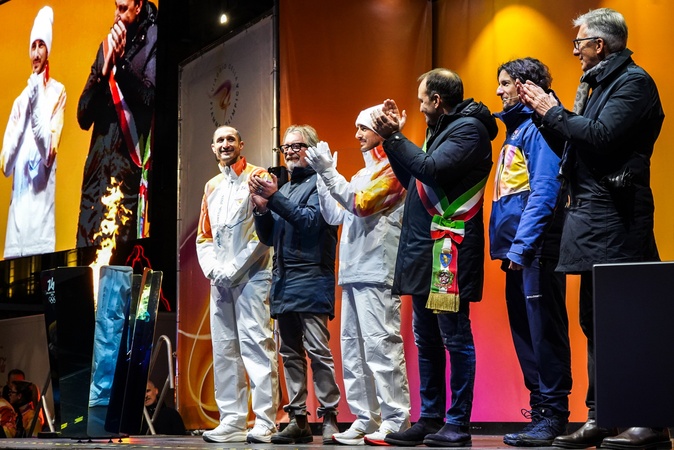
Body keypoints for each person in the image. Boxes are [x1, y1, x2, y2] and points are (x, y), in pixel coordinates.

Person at [517, 8, 666, 450]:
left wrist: (552, 110)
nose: (576, 52)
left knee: (627, 320)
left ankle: (648, 421)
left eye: (579, 43)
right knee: (596, 320)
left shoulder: (634, 83)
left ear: (599, 45)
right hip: (592, 215)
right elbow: (576, 145)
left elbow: (601, 137)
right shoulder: (597, 84)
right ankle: (604, 415)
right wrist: (543, 115)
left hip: (617, 217)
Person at [371, 69, 497, 447]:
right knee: (425, 338)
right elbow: (415, 179)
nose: (420, 106)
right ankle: (430, 418)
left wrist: (395, 137)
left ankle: (457, 423)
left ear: (437, 100)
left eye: (422, 100)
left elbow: (432, 169)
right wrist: (392, 141)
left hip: (448, 251)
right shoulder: (441, 130)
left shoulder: (469, 130)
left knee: (454, 338)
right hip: (424, 249)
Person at [304, 106, 411, 446]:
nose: (357, 134)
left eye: (363, 127)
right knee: (352, 351)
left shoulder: (395, 170)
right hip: (352, 271)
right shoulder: (363, 174)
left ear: (380, 130)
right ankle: (366, 418)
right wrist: (323, 177)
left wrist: (330, 173)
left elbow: (361, 204)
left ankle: (396, 419)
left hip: (378, 269)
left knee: (381, 348)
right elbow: (335, 215)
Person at [490, 58, 572, 447]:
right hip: (519, 252)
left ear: (524, 86)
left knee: (544, 334)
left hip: (536, 249)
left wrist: (523, 246)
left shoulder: (539, 128)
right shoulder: (518, 130)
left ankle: (553, 414)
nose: (498, 90)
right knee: (527, 335)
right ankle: (541, 411)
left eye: (505, 83)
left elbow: (545, 190)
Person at [249, 124, 341, 445]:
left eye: (296, 146)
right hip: (284, 280)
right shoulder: (285, 189)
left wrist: (274, 197)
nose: (288, 151)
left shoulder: (322, 183)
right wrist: (262, 210)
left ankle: (329, 417)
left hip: (311, 277)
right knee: (289, 352)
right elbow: (268, 237)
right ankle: (298, 419)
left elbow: (310, 222)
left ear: (312, 149)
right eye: (285, 147)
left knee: (317, 350)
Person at [196, 125, 278, 444]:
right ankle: (232, 419)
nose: (225, 144)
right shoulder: (212, 185)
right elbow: (204, 236)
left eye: (231, 139)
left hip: (253, 276)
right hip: (220, 280)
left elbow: (264, 233)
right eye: (220, 140)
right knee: (224, 348)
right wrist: (213, 269)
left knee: (257, 344)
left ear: (241, 145)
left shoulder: (258, 177)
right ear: (213, 148)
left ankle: (266, 420)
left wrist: (233, 267)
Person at [76, 0, 157, 247]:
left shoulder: (154, 40)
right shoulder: (106, 46)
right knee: (83, 262)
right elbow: (82, 116)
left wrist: (120, 66)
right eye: (115, 7)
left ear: (138, 6)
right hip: (95, 179)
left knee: (119, 264)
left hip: (125, 179)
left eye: (123, 8)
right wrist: (104, 73)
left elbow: (150, 99)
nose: (117, 15)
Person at [0, 6, 66, 259]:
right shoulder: (20, 101)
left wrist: (36, 104)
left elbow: (48, 153)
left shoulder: (58, 93)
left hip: (41, 233)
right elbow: (5, 165)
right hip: (15, 235)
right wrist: (26, 108)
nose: (36, 53)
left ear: (48, 50)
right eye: (33, 46)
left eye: (41, 45)